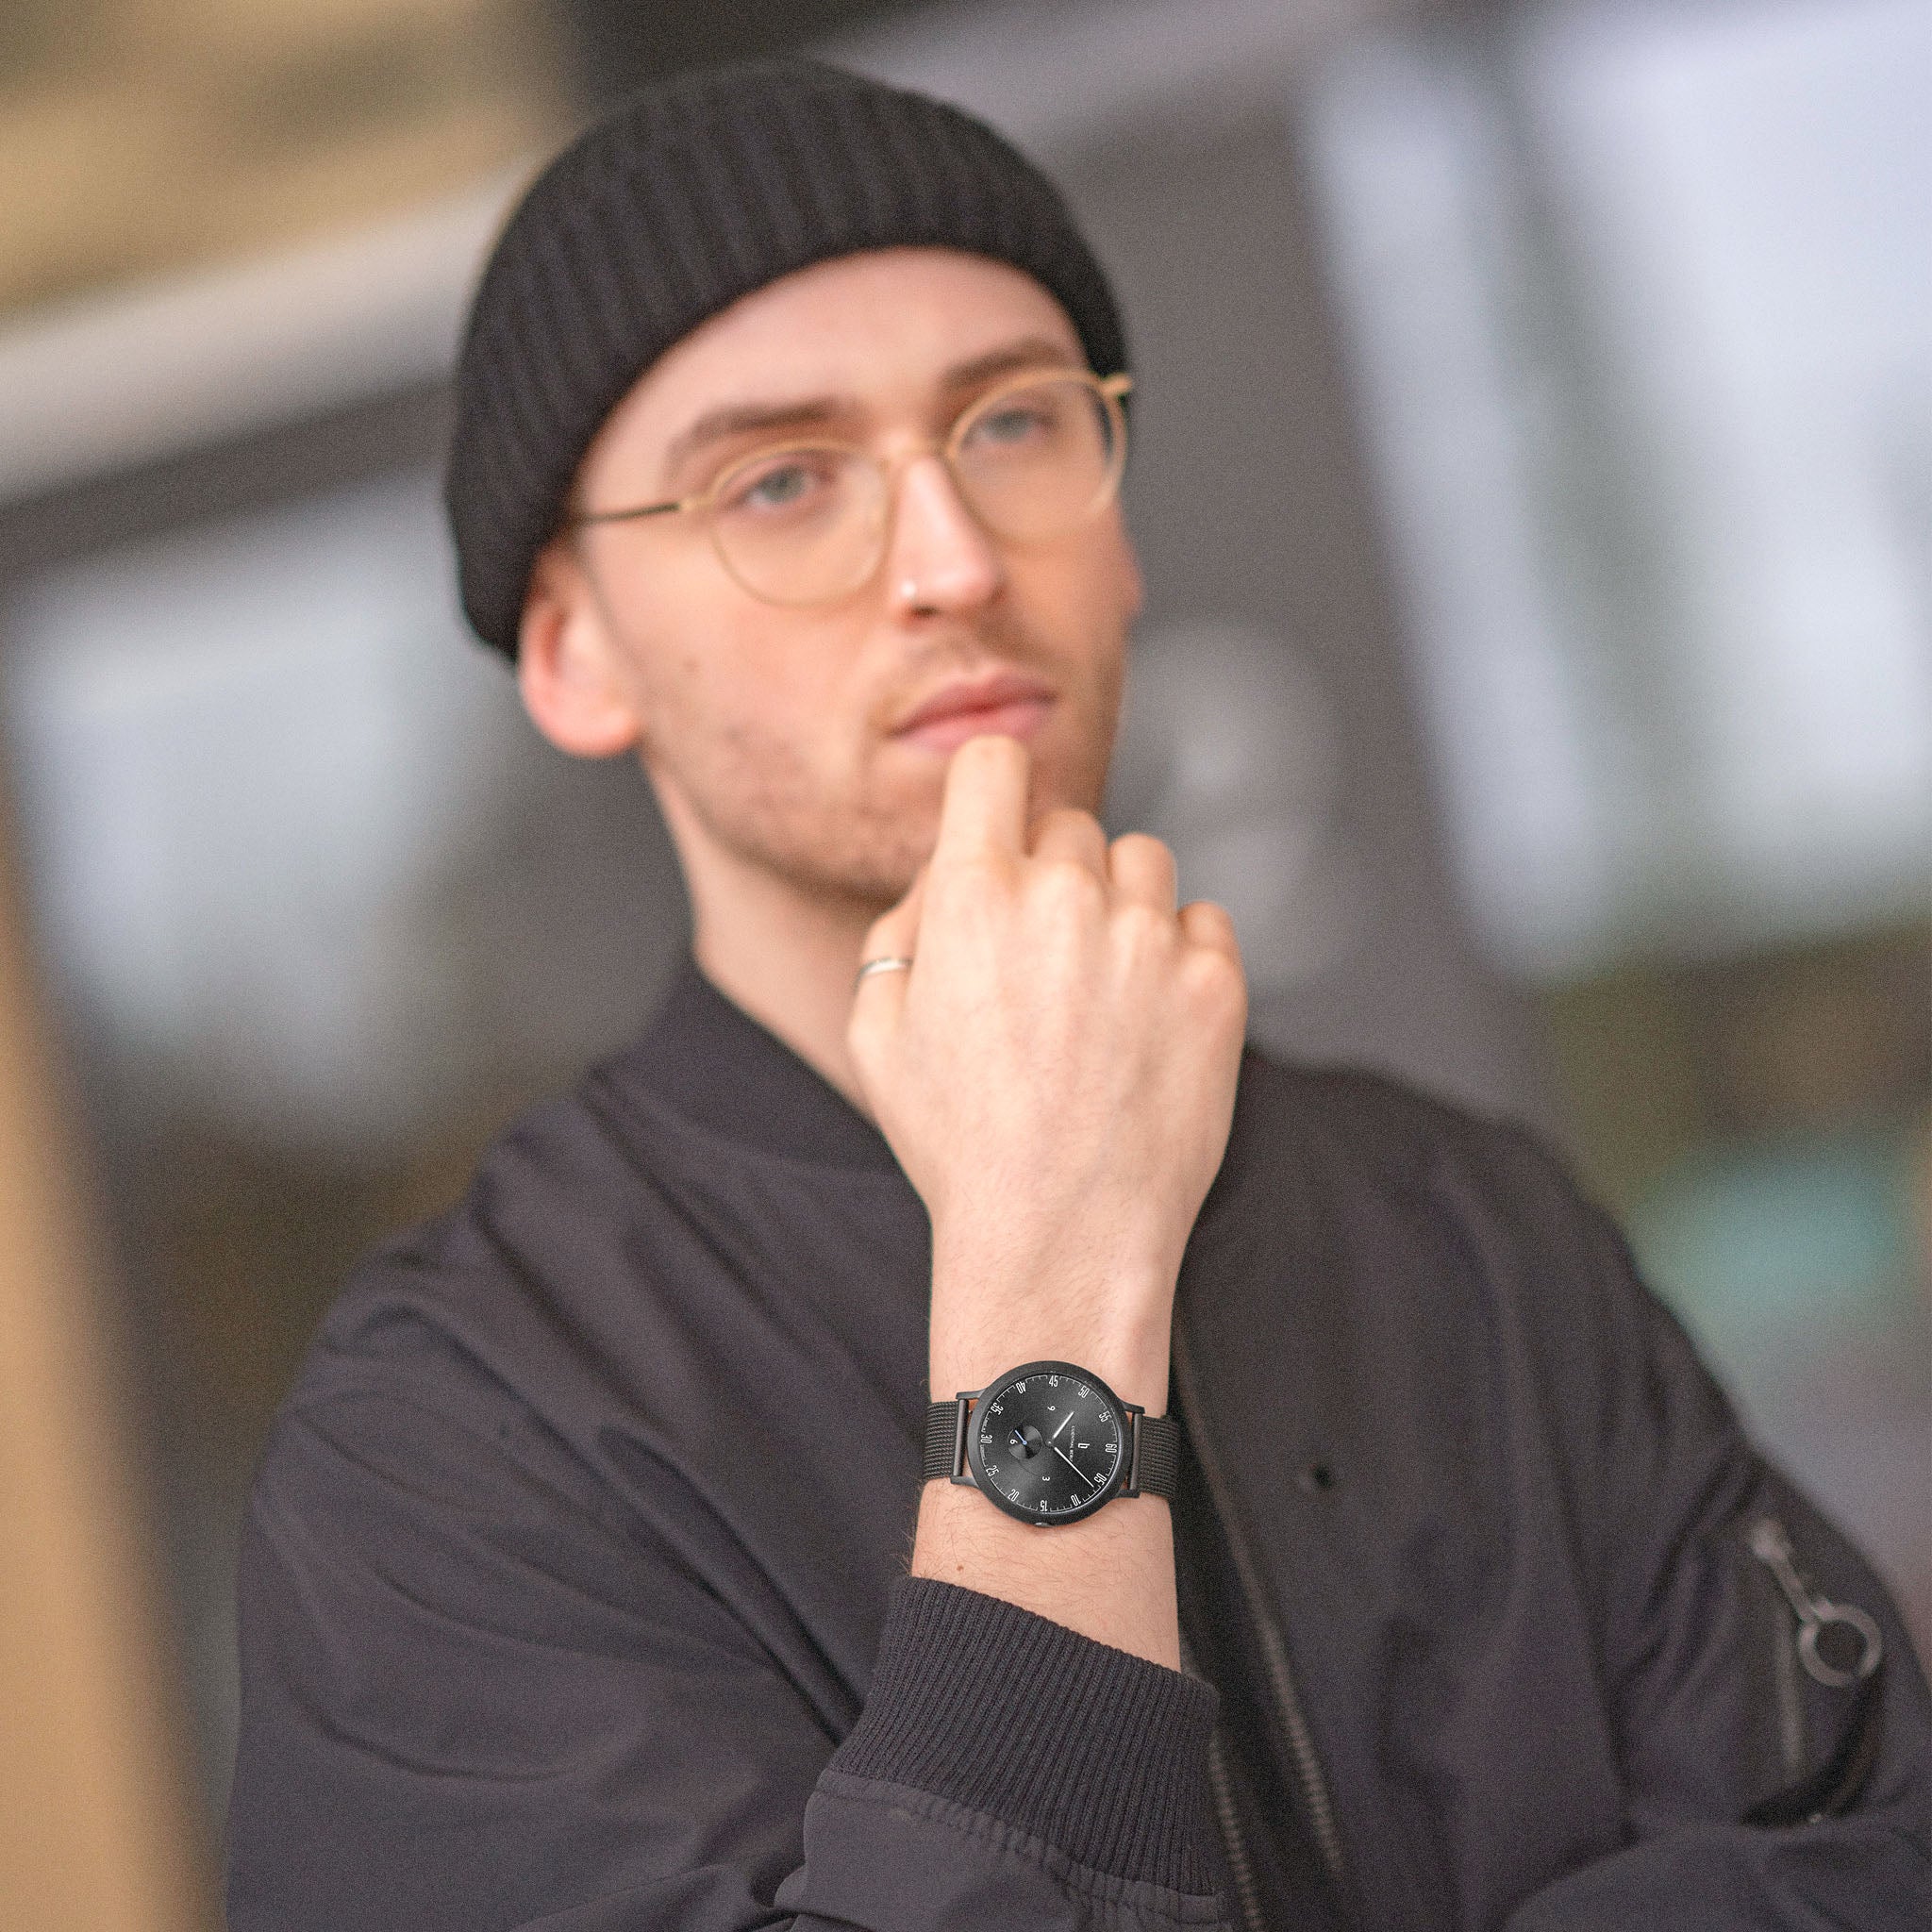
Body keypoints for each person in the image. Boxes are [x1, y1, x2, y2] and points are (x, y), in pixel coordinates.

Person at [225, 57, 1929, 1932]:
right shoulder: (461, 1439)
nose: (954, 559)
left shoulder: (1474, 1229)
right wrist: (1049, 1279)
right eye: (780, 481)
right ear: (572, 652)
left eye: (1015, 425)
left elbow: (1860, 1855)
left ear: (1113, 533)